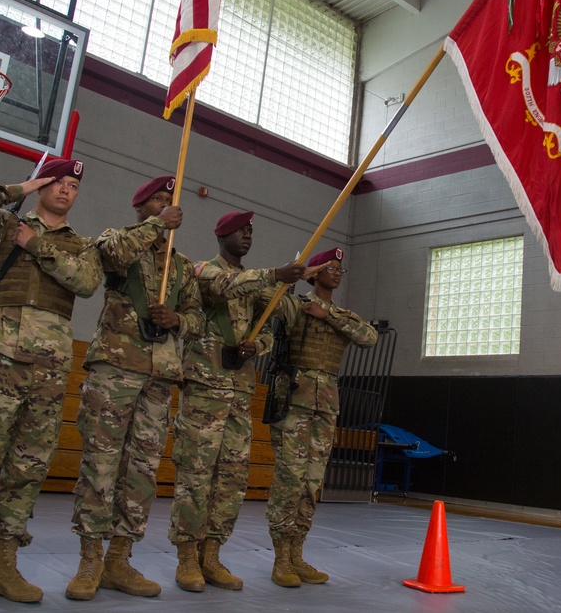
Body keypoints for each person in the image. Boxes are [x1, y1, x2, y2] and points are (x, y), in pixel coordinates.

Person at [0, 158, 102, 606]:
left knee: (27, 469)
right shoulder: (2, 227)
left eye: (73, 185)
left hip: (49, 367)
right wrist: (18, 188)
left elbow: (85, 283)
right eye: (58, 182)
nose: (66, 190)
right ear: (42, 185)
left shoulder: (82, 245)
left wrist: (36, 246)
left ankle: (3, 566)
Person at [67, 176, 205, 601]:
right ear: (140, 207)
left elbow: (197, 316)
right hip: (116, 369)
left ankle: (119, 560)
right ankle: (90, 558)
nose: (167, 206)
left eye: (170, 201)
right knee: (101, 463)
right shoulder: (121, 240)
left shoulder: (180, 267)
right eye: (158, 200)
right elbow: (109, 257)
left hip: (159, 377)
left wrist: (177, 322)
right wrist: (156, 225)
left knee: (142, 472)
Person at [168, 211, 315, 592]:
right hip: (204, 387)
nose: (247, 236)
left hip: (240, 390)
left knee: (232, 478)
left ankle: (212, 555)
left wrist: (258, 345)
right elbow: (226, 287)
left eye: (251, 231)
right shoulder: (203, 270)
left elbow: (279, 320)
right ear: (222, 235)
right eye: (240, 231)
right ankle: (187, 557)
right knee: (196, 474)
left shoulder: (258, 284)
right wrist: (273, 276)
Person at [264, 247, 379, 588]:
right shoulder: (294, 306)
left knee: (312, 483)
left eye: (341, 269)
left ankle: (297, 554)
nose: (337, 273)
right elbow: (269, 298)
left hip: (326, 407)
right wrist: (302, 275)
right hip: (294, 404)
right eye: (330, 267)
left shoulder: (344, 316)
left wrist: (326, 315)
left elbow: (368, 338)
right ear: (317, 272)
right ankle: (281, 558)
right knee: (289, 481)